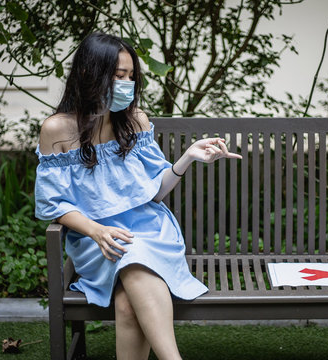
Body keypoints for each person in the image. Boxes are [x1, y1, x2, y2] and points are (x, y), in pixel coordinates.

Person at [35, 32, 242, 360]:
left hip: (149, 230)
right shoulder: (56, 130)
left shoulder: (135, 122)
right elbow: (52, 205)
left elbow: (153, 193)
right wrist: (96, 230)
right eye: (119, 76)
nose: (127, 84)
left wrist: (187, 157)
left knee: (128, 302)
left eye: (131, 76)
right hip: (96, 241)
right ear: (90, 73)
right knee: (129, 258)